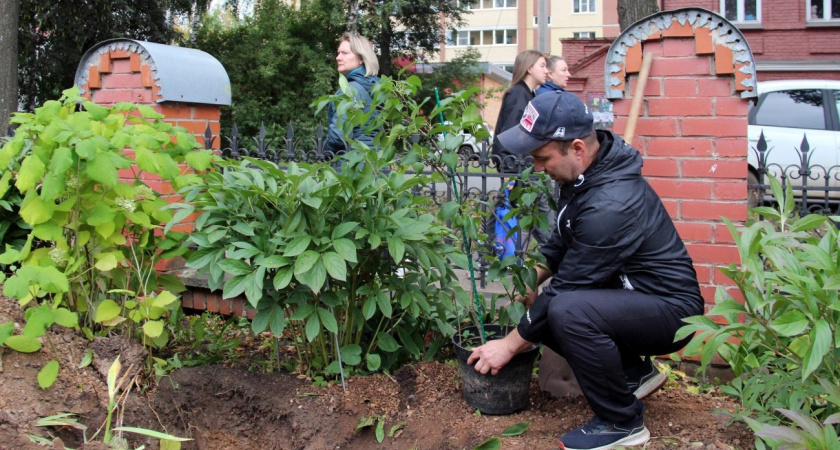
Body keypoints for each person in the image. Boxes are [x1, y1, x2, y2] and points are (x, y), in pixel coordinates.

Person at [467, 91, 704, 450]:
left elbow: (566, 290)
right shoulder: (584, 177)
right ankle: (632, 374)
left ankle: (622, 423)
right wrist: (532, 278)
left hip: (671, 312)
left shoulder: (611, 203)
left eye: (542, 157)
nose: (537, 167)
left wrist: (509, 345)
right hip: (634, 297)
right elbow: (561, 242)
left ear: (577, 148)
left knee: (564, 309)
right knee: (549, 307)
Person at [492, 50, 548, 174]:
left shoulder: (529, 94)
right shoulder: (518, 94)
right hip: (517, 169)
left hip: (524, 168)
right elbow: (510, 133)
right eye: (542, 66)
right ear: (529, 68)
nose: (546, 71)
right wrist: (510, 170)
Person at [324, 32, 380, 154]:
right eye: (338, 53)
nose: (338, 57)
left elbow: (337, 137)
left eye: (345, 53)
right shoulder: (374, 87)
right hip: (374, 161)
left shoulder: (351, 91)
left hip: (351, 165)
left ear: (361, 59)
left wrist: (324, 153)